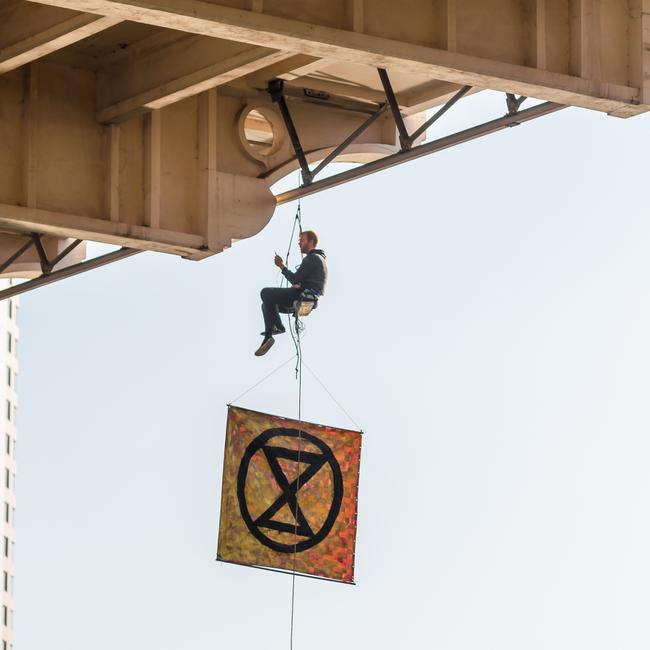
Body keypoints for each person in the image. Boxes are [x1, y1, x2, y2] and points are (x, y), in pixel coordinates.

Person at [255, 230, 328, 356]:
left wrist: (281, 266)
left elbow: (295, 279)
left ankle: (272, 332)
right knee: (266, 304)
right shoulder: (320, 260)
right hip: (308, 299)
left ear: (310, 242)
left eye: (302, 240)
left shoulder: (312, 258)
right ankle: (275, 328)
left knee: (265, 293)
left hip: (302, 297)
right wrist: (300, 284)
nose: (299, 243)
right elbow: (310, 281)